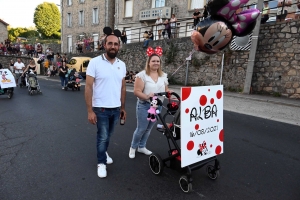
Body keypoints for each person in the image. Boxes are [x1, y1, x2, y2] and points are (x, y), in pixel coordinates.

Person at [85, 33, 127, 178]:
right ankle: (101, 163)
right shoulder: (95, 62)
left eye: (116, 44)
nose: (113, 46)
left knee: (108, 135)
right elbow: (88, 87)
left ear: (119, 46)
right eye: (110, 43)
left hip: (115, 108)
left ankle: (103, 152)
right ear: (104, 45)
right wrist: (90, 111)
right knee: (102, 136)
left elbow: (122, 88)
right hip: (101, 108)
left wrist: (122, 108)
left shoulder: (122, 65)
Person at [129, 47, 171, 159]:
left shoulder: (163, 76)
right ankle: (133, 147)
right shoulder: (142, 75)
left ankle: (142, 146)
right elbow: (136, 92)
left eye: (158, 61)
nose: (156, 63)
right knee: (141, 128)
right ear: (148, 63)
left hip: (158, 106)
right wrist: (147, 96)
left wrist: (168, 93)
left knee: (148, 129)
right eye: (153, 61)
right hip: (145, 106)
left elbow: (166, 90)